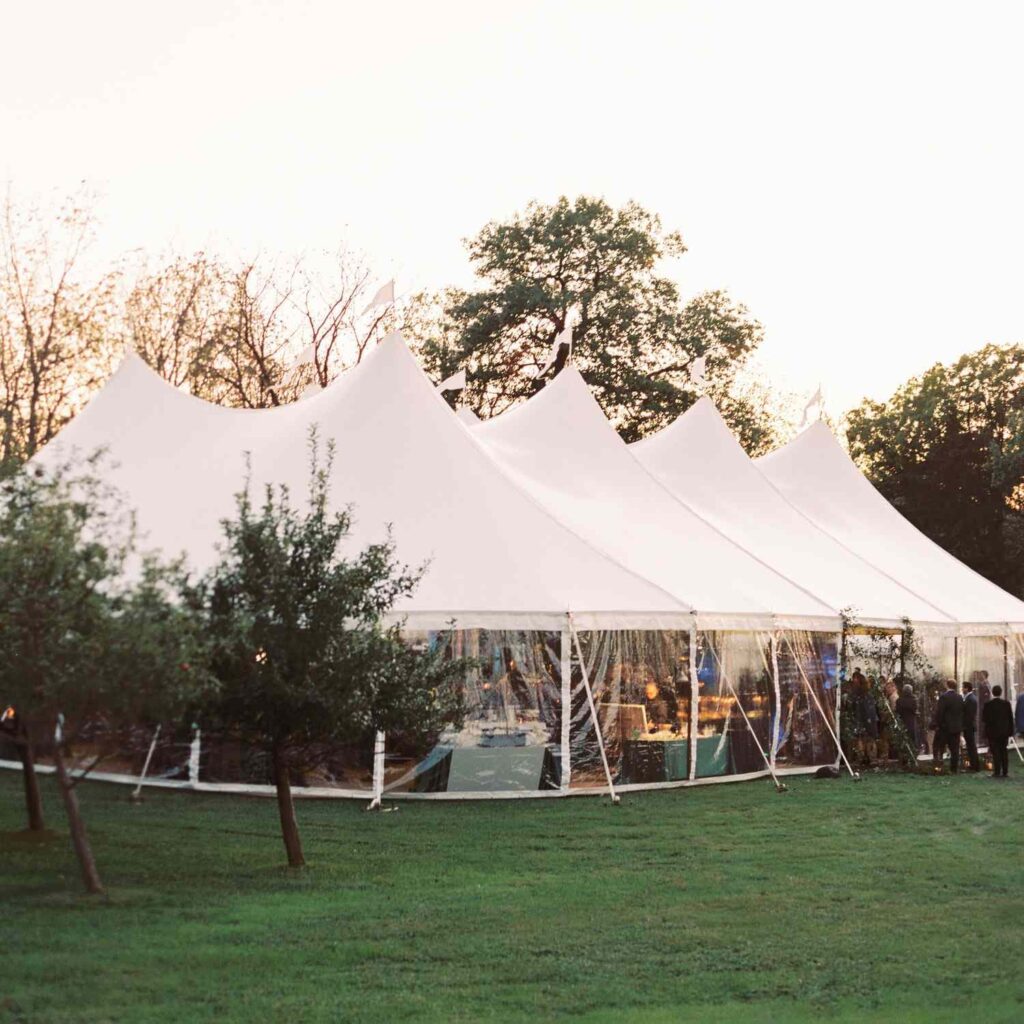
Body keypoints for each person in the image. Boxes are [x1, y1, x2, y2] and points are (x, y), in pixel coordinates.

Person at [982, 685, 1014, 778]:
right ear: (1001, 692)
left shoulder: (988, 705)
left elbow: (984, 719)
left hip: (992, 732)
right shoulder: (1006, 704)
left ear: (992, 692)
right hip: (1004, 732)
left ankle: (997, 771)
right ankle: (1005, 771)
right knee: (1004, 751)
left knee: (995, 752)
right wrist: (1010, 731)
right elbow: (1010, 718)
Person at [932, 680, 964, 773]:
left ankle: (939, 766)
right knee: (955, 749)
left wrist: (938, 724)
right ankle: (954, 768)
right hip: (956, 727)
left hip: (945, 727)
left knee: (940, 747)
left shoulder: (944, 697)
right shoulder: (959, 697)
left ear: (947, 685)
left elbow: (940, 712)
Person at [961, 681, 980, 772]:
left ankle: (974, 766)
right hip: (968, 726)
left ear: (967, 688)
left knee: (971, 746)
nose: (962, 689)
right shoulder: (969, 698)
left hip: (969, 726)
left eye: (963, 687)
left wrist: (964, 725)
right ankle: (974, 765)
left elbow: (969, 715)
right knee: (970, 746)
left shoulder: (971, 699)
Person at [895, 683, 919, 753]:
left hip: (902, 721)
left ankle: (903, 753)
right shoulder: (914, 700)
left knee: (903, 738)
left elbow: (897, 711)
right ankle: (913, 752)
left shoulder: (899, 700)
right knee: (912, 737)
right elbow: (915, 710)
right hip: (911, 721)